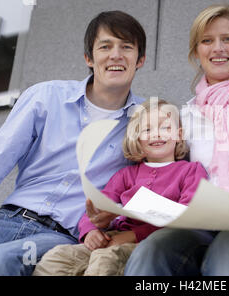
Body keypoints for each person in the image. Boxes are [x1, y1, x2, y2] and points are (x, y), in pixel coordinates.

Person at [0, 10, 147, 276]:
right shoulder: (45, 98)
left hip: (63, 236)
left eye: (126, 47)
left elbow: (156, 184)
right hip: (7, 220)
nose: (116, 55)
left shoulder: (145, 121)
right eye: (105, 46)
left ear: (140, 60)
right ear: (89, 58)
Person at [124, 3, 229, 276]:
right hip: (201, 224)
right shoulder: (187, 115)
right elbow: (172, 176)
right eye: (207, 41)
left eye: (227, 39)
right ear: (197, 52)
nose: (218, 48)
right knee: (152, 250)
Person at [32, 98, 208, 276]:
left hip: (148, 244)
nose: (156, 134)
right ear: (137, 138)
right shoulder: (126, 175)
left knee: (104, 261)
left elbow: (186, 216)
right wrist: (90, 232)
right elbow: (96, 210)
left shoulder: (190, 170)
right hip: (110, 238)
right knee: (56, 258)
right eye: (147, 129)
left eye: (165, 128)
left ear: (178, 134)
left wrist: (133, 235)